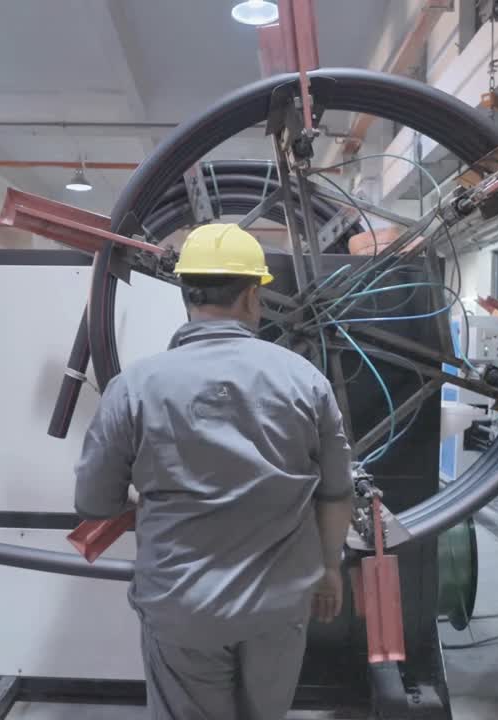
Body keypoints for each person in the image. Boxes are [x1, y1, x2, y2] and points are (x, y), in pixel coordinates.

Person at [74, 223, 355, 720]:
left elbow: (95, 503)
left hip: (182, 608)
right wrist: (329, 569)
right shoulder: (306, 382)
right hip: (279, 606)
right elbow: (336, 492)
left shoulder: (134, 386)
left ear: (186, 295)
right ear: (252, 296)